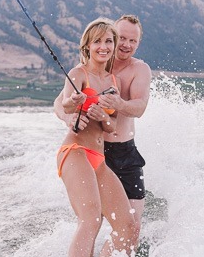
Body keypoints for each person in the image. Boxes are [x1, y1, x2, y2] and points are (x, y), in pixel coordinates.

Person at [56, 18, 139, 257]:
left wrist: (101, 113)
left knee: (127, 226)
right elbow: (65, 103)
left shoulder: (113, 82)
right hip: (75, 151)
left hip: (98, 158)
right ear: (87, 46)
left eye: (109, 42)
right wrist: (75, 106)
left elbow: (111, 126)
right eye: (98, 42)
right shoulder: (79, 74)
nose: (104, 47)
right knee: (91, 219)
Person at [55, 14, 151, 239]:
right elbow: (59, 103)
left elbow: (140, 107)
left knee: (132, 229)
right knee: (93, 221)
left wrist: (120, 103)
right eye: (122, 38)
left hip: (126, 152)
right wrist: (68, 119)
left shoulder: (139, 69)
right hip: (96, 152)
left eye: (133, 41)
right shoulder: (86, 69)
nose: (126, 45)